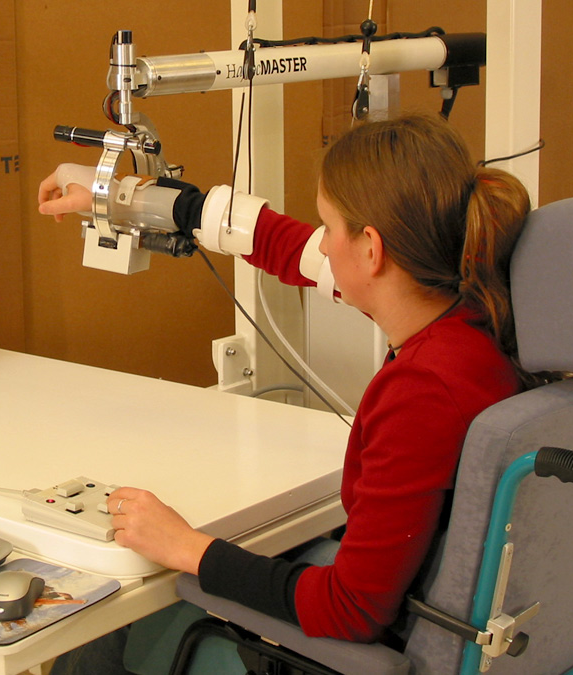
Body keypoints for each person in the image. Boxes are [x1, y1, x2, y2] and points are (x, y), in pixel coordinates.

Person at [37, 112, 533, 673]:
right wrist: (128, 198)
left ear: (371, 249)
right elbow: (287, 245)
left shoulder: (422, 391)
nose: (320, 244)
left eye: (329, 227)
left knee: (115, 618)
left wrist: (186, 546)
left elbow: (350, 610)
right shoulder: (475, 313)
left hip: (363, 640)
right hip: (429, 601)